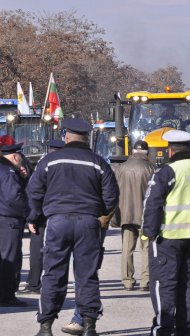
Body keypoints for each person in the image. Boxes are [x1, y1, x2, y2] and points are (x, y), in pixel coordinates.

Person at [27, 119, 119, 336]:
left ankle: (45, 326)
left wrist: (35, 218)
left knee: (53, 274)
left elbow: (34, 192)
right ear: (86, 138)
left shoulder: (49, 161)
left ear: (66, 137)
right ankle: (89, 326)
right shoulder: (98, 162)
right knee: (86, 275)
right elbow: (112, 196)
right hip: (88, 222)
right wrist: (97, 213)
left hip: (57, 222)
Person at [142, 130, 190, 335]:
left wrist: (150, 233)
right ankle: (187, 329)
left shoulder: (167, 172)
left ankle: (162, 329)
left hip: (168, 239)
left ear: (170, 149)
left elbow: (152, 205)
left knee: (164, 286)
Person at [22, 140, 65, 295]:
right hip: (67, 214)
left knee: (37, 250)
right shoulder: (72, 165)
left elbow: (35, 193)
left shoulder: (44, 164)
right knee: (63, 251)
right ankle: (57, 284)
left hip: (44, 214)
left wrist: (32, 218)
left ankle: (34, 283)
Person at [115, 140, 154, 291]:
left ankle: (127, 281)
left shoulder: (122, 168)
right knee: (146, 249)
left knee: (127, 249)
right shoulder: (151, 168)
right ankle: (146, 281)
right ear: (147, 152)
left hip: (126, 215)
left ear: (132, 151)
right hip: (145, 216)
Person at [0, 142, 29, 307]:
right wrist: (27, 212)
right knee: (10, 259)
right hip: (9, 220)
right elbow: (14, 198)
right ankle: (6, 296)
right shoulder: (9, 172)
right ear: (15, 156)